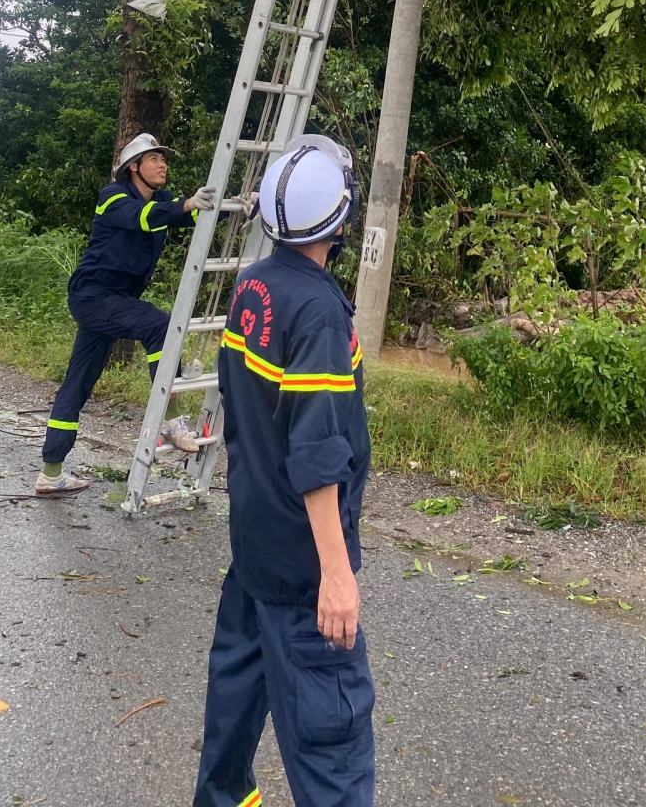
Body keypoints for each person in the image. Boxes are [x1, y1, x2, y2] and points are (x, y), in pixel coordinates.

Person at [193, 134, 374, 807]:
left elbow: (245, 412)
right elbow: (317, 453)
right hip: (302, 575)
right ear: (340, 218)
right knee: (334, 752)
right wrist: (336, 575)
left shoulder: (254, 289)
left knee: (230, 735)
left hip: (254, 554)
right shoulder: (320, 313)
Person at [37, 133, 215, 495]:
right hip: (93, 296)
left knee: (78, 383)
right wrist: (185, 205)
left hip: (114, 301)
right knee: (160, 326)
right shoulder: (114, 196)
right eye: (153, 159)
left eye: (163, 158)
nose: (162, 164)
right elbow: (145, 218)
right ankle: (170, 421)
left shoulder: (162, 200)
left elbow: (192, 213)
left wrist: (238, 204)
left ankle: (50, 473)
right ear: (133, 167)